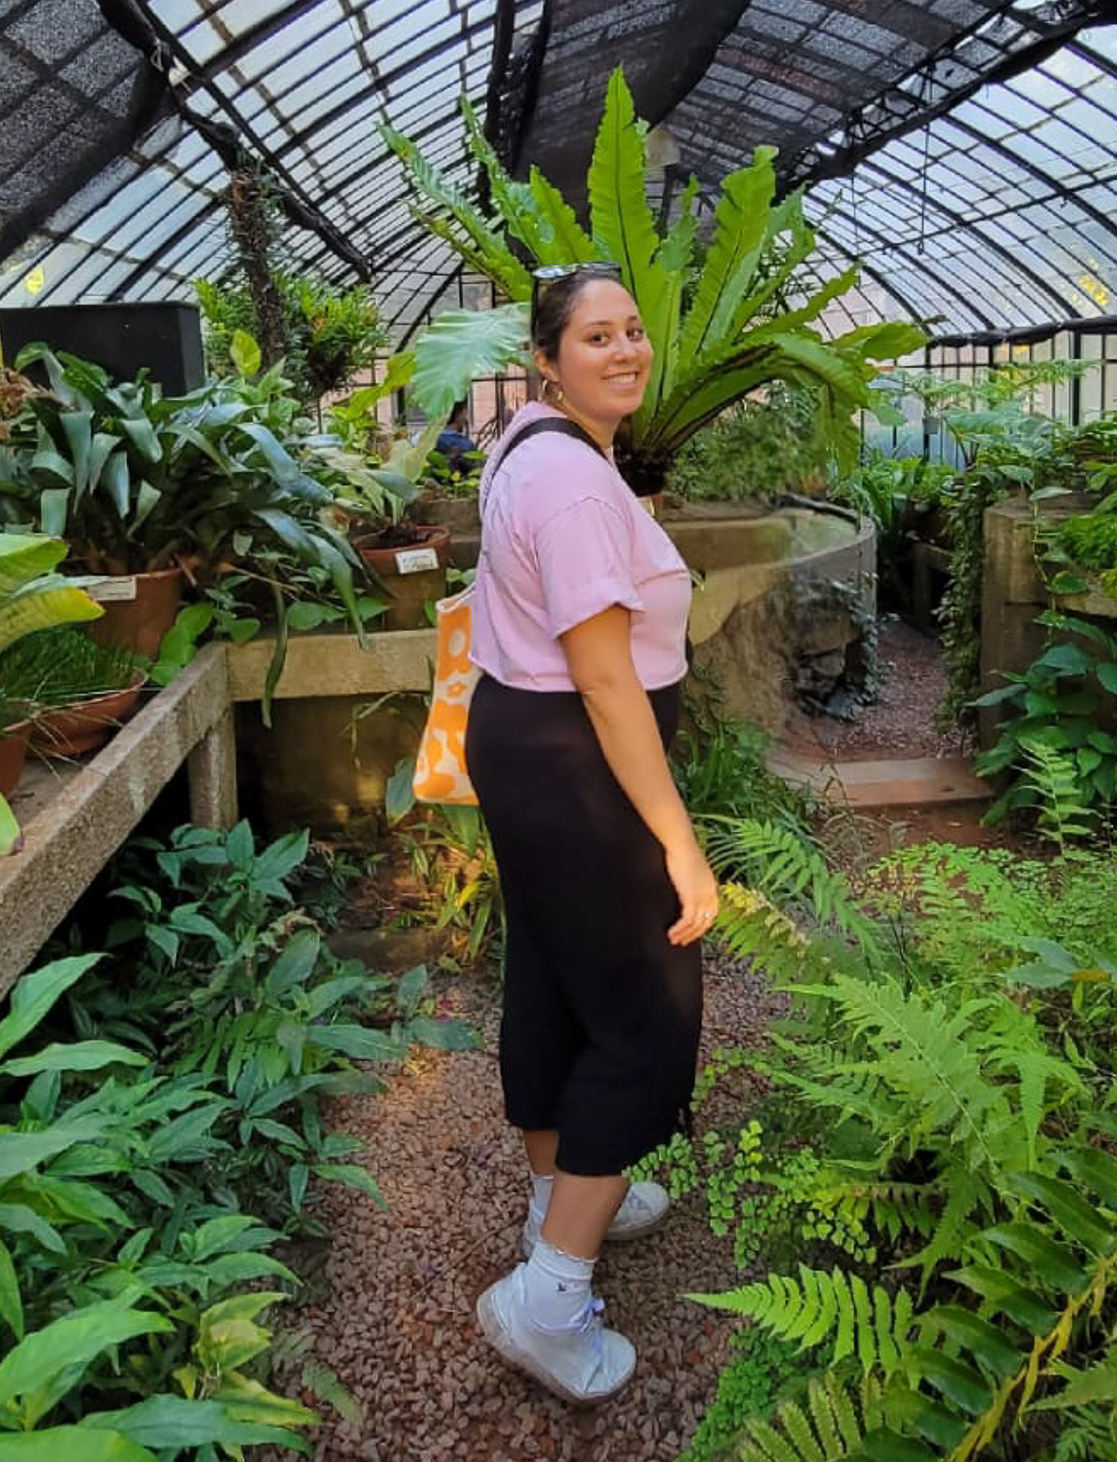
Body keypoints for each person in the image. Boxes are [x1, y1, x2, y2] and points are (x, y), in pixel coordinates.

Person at [465, 261, 717, 1403]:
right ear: (549, 356)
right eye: (596, 336)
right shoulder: (567, 484)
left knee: (555, 976)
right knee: (645, 1009)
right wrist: (677, 836)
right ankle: (546, 1297)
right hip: (577, 758)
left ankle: (557, 1191)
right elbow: (607, 682)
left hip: (525, 746)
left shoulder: (530, 445)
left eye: (632, 332)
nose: (624, 351)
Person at [433, 399, 479, 480]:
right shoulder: (466, 445)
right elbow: (477, 473)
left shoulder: (429, 442)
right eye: (465, 412)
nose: (466, 418)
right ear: (459, 414)